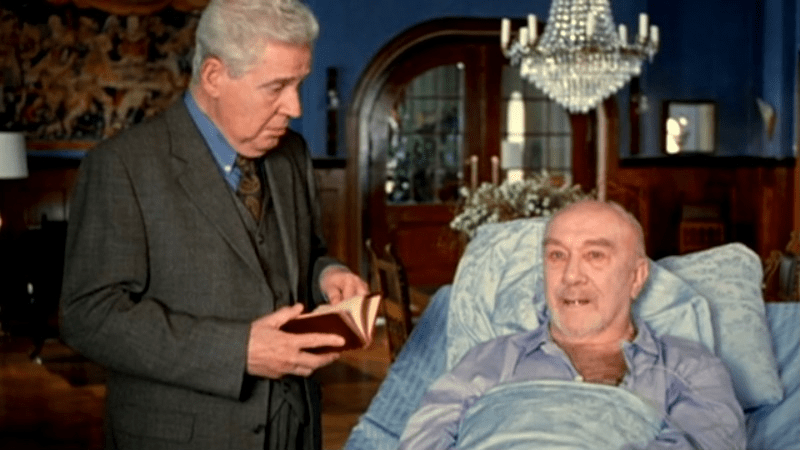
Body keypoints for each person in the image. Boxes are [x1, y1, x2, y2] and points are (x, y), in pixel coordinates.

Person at [59, 1, 368, 449]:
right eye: (277, 87)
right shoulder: (122, 166)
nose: (295, 107)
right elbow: (89, 315)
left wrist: (327, 274)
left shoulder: (293, 155)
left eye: (299, 83)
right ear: (214, 76)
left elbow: (307, 252)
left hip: (296, 428)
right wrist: (238, 351)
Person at [398, 200, 746, 449]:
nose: (571, 276)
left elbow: (708, 443)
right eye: (557, 255)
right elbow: (422, 439)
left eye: (595, 255)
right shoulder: (490, 359)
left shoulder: (689, 367)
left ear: (637, 277)